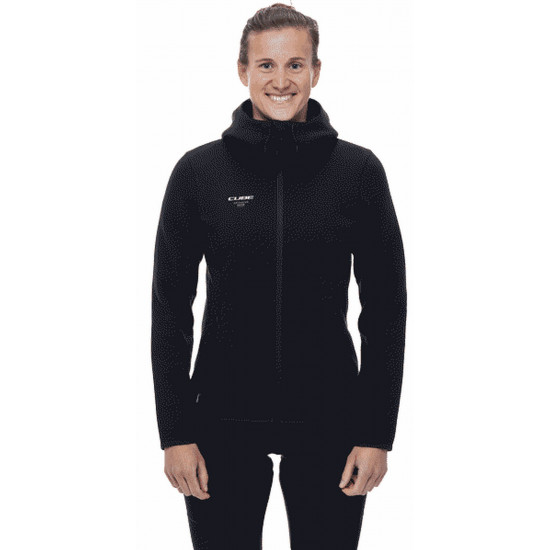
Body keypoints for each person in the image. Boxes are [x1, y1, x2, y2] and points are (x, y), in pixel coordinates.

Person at [150, 4, 407, 549]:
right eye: (266, 65)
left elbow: (386, 308)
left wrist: (376, 432)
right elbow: (169, 309)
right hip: (220, 422)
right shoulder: (198, 173)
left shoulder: (358, 173)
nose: (281, 80)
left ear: (317, 70)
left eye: (296, 64)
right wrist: (175, 433)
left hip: (332, 420)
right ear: (243, 71)